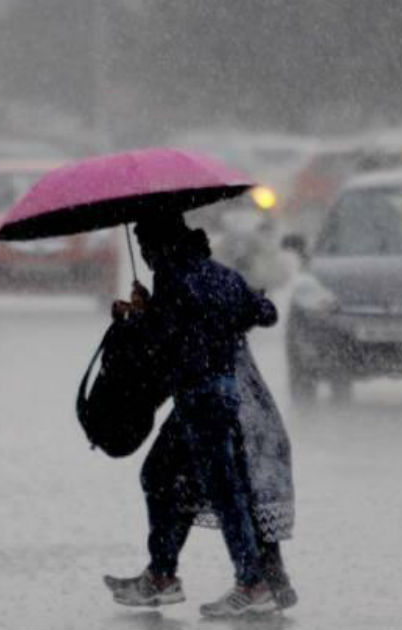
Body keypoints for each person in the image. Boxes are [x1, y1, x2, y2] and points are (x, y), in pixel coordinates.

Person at [103, 214, 296, 618]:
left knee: (223, 493)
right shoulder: (220, 276)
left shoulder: (175, 279)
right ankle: (162, 575)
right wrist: (230, 312)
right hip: (223, 396)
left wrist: (136, 318)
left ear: (161, 246)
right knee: (163, 476)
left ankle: (252, 582)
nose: (145, 256)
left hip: (200, 400)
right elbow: (265, 312)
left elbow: (162, 341)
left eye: (146, 247)